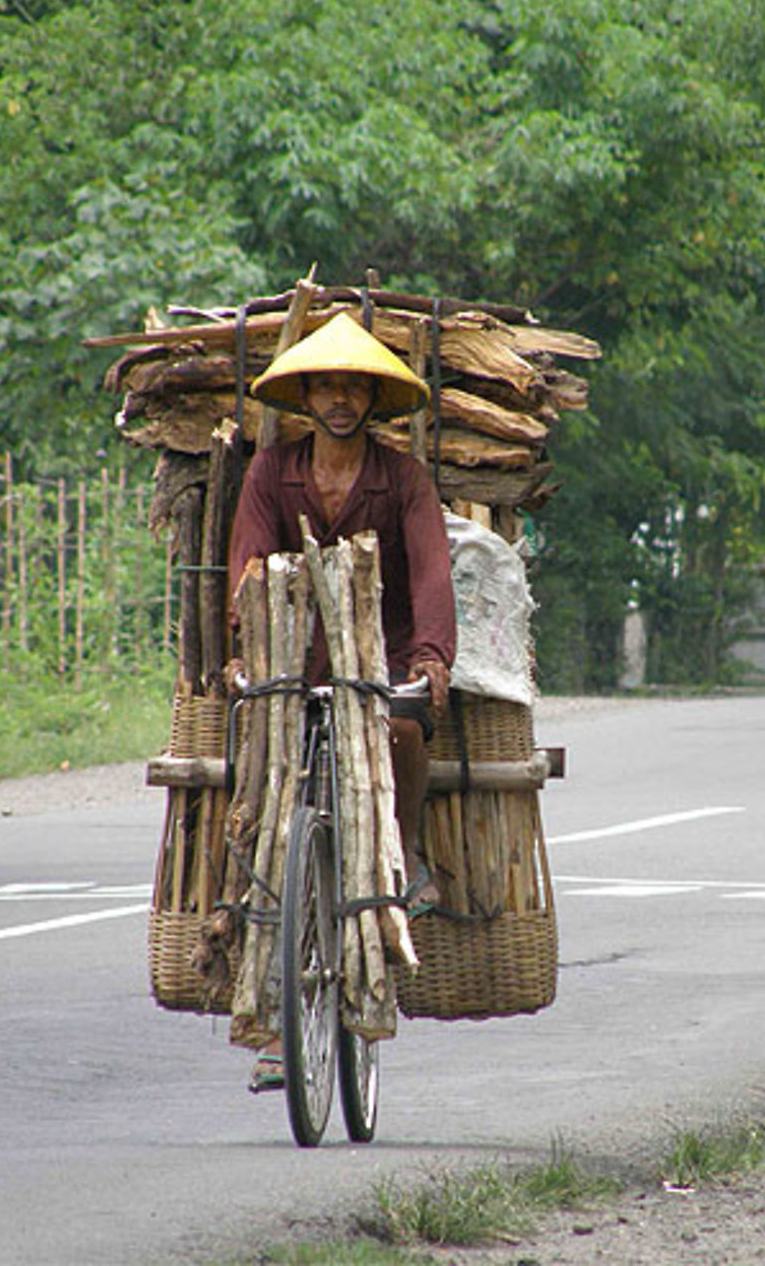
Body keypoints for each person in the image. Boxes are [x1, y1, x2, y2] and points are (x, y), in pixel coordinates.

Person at [228, 311, 456, 1089]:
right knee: (268, 804)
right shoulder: (271, 472)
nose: (339, 398)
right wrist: (246, 646)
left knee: (400, 733)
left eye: (353, 384)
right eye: (326, 383)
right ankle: (271, 998)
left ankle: (410, 853)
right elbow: (249, 566)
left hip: (379, 664)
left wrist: (429, 660)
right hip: (291, 660)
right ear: (307, 394)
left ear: (370, 396)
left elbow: (431, 577)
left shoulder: (404, 480)